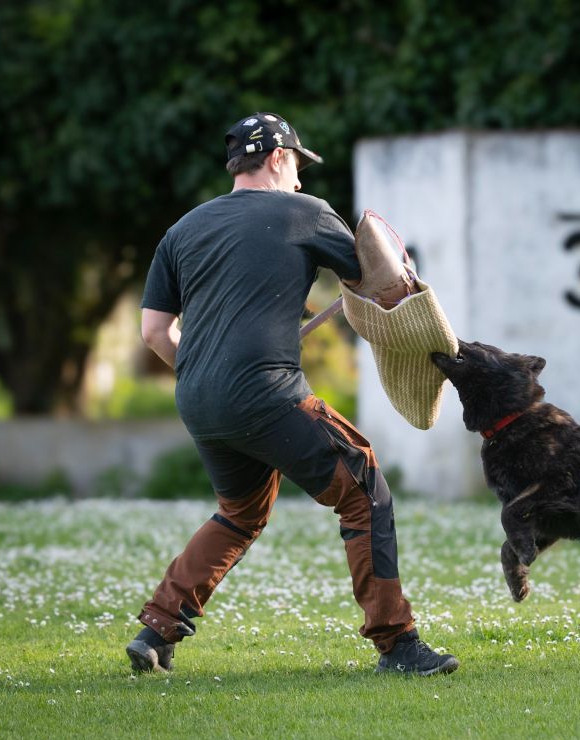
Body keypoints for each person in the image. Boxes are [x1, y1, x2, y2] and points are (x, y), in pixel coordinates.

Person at [125, 112, 458, 677]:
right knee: (364, 485)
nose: (301, 181)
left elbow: (155, 333)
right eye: (298, 166)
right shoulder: (305, 212)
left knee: (241, 511)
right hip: (263, 391)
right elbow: (382, 283)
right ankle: (397, 643)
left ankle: (158, 629)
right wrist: (408, 275)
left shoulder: (182, 231)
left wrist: (209, 374)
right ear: (278, 157)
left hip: (198, 399)